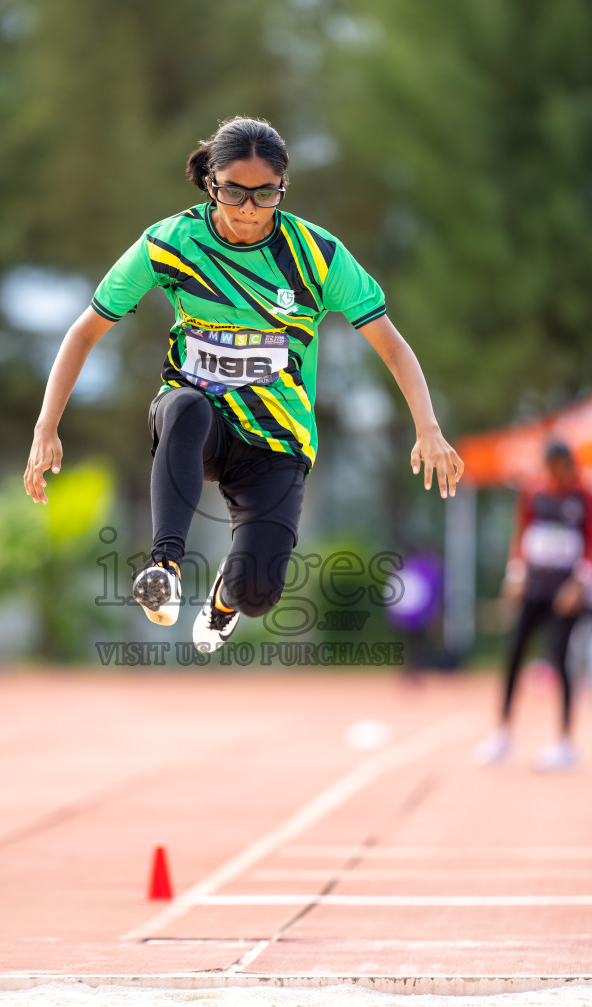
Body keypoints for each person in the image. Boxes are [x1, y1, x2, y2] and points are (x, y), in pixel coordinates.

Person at [24, 116, 463, 654]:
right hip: (200, 419)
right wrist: (47, 427)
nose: (249, 209)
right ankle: (164, 567)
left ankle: (226, 600)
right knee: (183, 407)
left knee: (258, 593)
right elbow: (84, 331)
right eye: (234, 192)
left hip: (276, 438)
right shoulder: (170, 243)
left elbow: (392, 345)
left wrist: (428, 427)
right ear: (212, 184)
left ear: (283, 188)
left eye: (265, 194)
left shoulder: (317, 256)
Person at [475, 440, 592, 770]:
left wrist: (580, 584)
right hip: (535, 586)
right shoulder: (534, 492)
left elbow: (590, 541)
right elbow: (522, 534)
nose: (556, 471)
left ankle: (565, 741)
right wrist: (516, 574)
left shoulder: (583, 495)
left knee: (560, 657)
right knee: (514, 654)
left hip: (566, 590)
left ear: (569, 464)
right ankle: (502, 733)